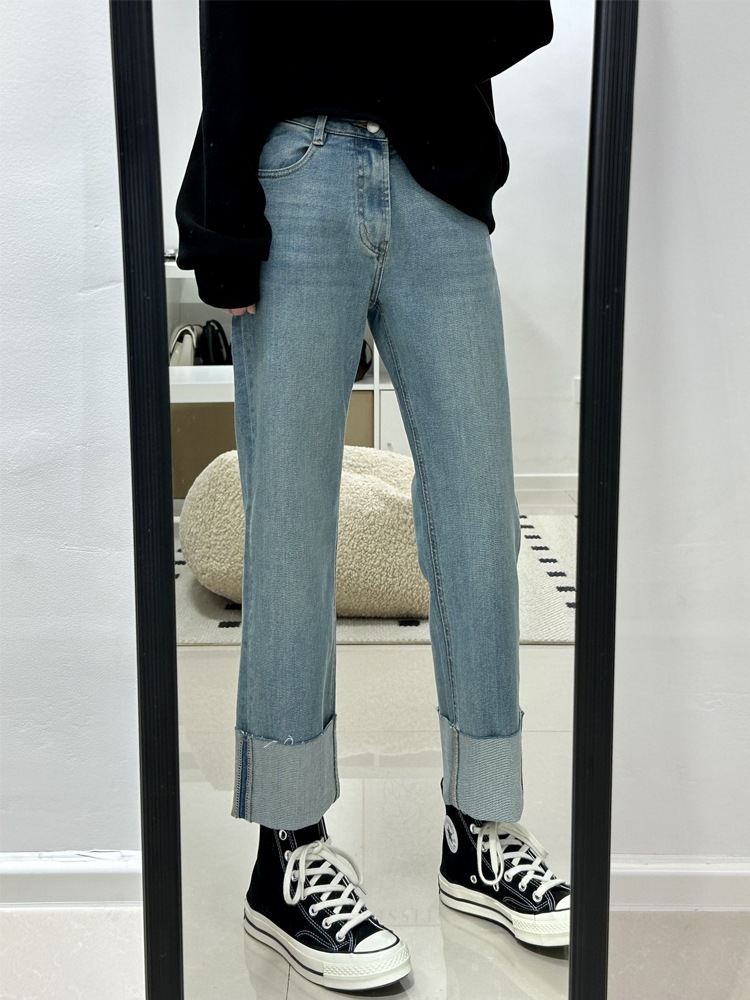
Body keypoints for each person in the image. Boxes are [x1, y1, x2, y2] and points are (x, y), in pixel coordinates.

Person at [176, 1, 569, 991]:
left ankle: (481, 829)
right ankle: (288, 850)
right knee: (288, 528)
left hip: (436, 173)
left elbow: (521, 18)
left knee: (480, 518)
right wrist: (219, 216)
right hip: (297, 165)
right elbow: (234, 17)